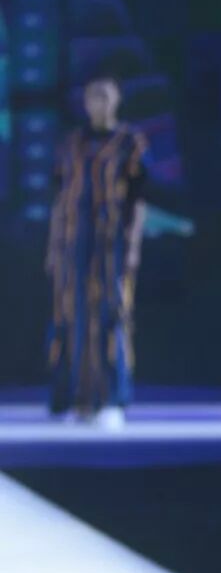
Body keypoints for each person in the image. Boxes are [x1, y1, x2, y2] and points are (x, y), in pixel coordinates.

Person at [45, 74, 149, 425]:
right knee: (67, 316)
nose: (98, 103)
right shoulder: (71, 144)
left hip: (110, 242)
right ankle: (71, 399)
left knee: (111, 315)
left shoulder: (129, 143)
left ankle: (111, 399)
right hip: (72, 241)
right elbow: (59, 197)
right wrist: (53, 246)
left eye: (105, 96)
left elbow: (138, 199)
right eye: (93, 96)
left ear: (116, 100)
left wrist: (133, 245)